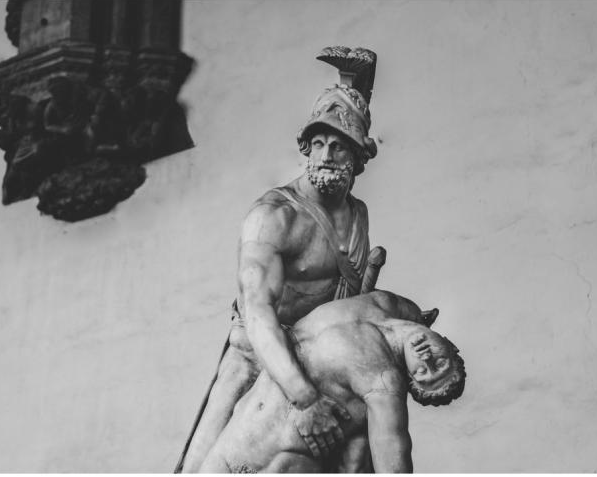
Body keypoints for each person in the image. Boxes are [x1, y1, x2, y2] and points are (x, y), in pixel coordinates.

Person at [177, 83, 383, 473]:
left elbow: (350, 303)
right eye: (318, 143)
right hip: (259, 362)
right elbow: (258, 315)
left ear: (358, 156)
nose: (325, 155)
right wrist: (304, 399)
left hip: (325, 360)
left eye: (338, 146)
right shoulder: (273, 217)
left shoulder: (358, 215)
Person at [197, 291, 466, 473]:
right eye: (440, 363)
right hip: (231, 443)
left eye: (423, 372)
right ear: (447, 343)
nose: (427, 359)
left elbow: (393, 450)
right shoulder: (389, 304)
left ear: (409, 378)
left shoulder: (384, 381)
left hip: (268, 465)